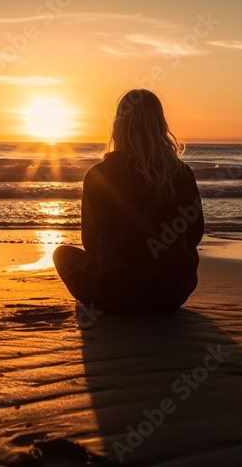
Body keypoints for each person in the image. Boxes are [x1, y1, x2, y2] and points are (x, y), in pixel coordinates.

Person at [53, 89, 204, 314]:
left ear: (119, 126)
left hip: (111, 294)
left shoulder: (99, 174)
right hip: (171, 294)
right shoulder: (181, 173)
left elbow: (90, 243)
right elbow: (195, 233)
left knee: (62, 254)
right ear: (160, 124)